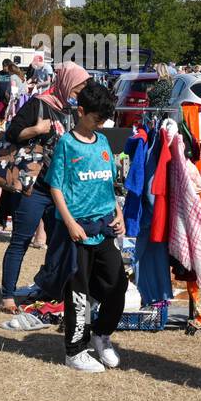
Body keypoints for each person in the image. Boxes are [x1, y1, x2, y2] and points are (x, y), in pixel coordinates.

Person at [46, 79, 127, 372]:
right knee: (77, 293)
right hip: (77, 231)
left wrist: (118, 213)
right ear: (81, 112)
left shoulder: (103, 142)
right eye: (96, 118)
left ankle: (101, 336)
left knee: (118, 284)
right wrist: (69, 223)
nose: (101, 124)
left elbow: (109, 183)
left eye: (105, 119)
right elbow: (55, 187)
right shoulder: (66, 144)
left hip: (104, 227)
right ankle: (74, 351)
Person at [0, 62, 90, 312]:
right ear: (68, 82)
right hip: (33, 187)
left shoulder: (72, 111)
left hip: (59, 189)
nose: (79, 92)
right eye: (78, 87)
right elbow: (12, 133)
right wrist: (37, 129)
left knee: (59, 243)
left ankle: (49, 290)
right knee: (21, 240)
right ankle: (7, 295)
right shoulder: (39, 103)